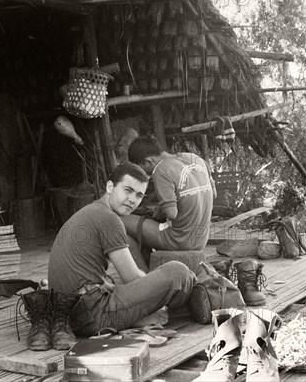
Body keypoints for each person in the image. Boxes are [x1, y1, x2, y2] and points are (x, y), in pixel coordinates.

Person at [47, 163, 196, 337]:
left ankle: (162, 311)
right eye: (128, 190)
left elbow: (94, 282)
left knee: (120, 285)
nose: (133, 199)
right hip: (92, 315)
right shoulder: (109, 219)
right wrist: (157, 292)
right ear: (110, 186)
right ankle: (189, 301)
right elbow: (131, 277)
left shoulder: (92, 211)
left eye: (139, 195)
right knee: (178, 272)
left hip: (66, 316)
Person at [124, 136, 216, 270]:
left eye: (141, 169)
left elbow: (172, 214)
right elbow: (213, 194)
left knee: (119, 220)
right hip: (201, 238)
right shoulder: (195, 158)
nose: (143, 174)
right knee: (145, 222)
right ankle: (150, 266)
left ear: (149, 161)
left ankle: (143, 277)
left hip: (180, 239)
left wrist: (161, 209)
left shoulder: (161, 170)